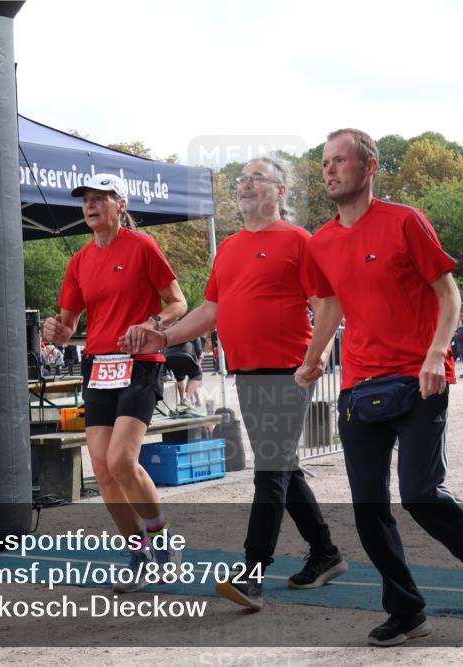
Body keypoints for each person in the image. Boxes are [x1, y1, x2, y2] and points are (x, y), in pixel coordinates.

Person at [295, 129, 463, 647]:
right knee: (368, 506)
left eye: (340, 160)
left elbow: (448, 293)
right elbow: (332, 306)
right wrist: (315, 354)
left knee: (418, 493)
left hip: (420, 377)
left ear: (369, 167)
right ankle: (407, 611)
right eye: (325, 162)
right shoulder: (320, 241)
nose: (329, 169)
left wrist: (437, 353)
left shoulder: (404, 220)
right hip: (360, 386)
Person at [122, 157, 346, 612]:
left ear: (280, 191)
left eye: (255, 179)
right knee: (282, 469)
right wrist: (165, 336)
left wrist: (316, 356)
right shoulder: (230, 247)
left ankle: (252, 572)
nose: (243, 186)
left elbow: (327, 305)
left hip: (290, 371)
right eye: (241, 180)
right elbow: (210, 311)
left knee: (269, 473)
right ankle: (325, 554)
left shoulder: (299, 241)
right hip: (249, 373)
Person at [42, 173, 188, 593]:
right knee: (104, 469)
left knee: (123, 459)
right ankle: (139, 553)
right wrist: (56, 330)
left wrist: (152, 323)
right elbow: (68, 324)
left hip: (140, 361)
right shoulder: (80, 261)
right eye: (85, 200)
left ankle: (163, 543)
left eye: (100, 198)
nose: (90, 206)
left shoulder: (142, 247)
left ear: (120, 205)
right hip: (98, 366)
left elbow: (177, 302)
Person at [162, 337, 203, 412]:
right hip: (186, 353)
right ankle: (187, 399)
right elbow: (199, 349)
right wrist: (197, 357)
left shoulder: (171, 327)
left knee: (179, 378)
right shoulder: (192, 327)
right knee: (197, 375)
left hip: (168, 356)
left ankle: (182, 400)